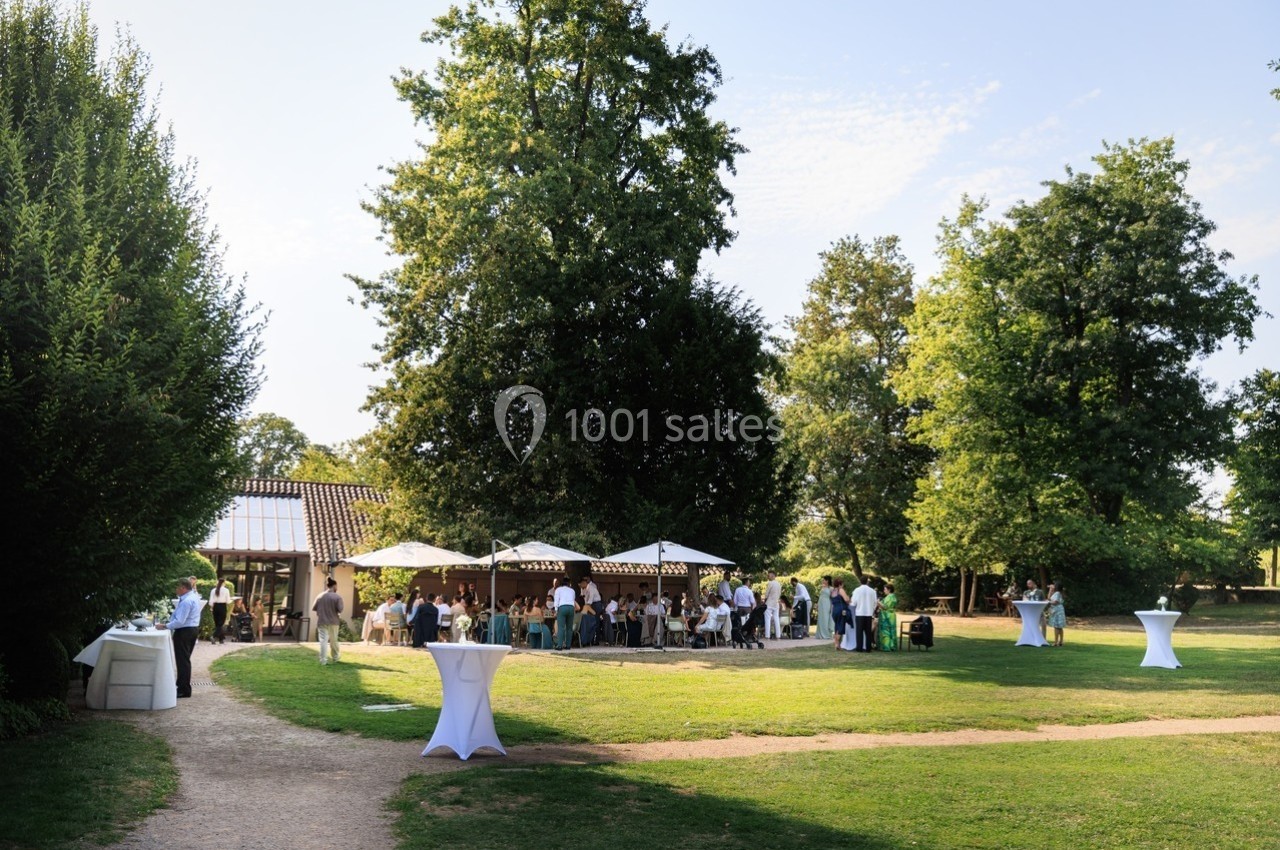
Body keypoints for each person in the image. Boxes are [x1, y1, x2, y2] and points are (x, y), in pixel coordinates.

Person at [156, 578, 201, 698]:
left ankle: (184, 689)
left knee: (182, 661)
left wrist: (165, 626)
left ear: (183, 588)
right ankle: (182, 687)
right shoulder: (193, 597)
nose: (175, 590)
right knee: (184, 660)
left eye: (177, 587)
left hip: (184, 631)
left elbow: (180, 621)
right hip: (192, 629)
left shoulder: (187, 601)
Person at [312, 578, 344, 665]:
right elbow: (340, 609)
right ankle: (335, 657)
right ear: (334, 586)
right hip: (334, 622)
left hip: (322, 621)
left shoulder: (320, 596)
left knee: (323, 641)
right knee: (334, 640)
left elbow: (314, 608)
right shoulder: (337, 597)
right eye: (336, 586)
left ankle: (323, 660)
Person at [850, 576, 878, 652]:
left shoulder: (857, 590)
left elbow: (853, 603)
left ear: (860, 581)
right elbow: (875, 602)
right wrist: (872, 609)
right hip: (869, 614)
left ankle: (859, 648)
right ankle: (868, 648)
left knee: (859, 631)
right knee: (868, 631)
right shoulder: (872, 591)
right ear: (867, 581)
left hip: (859, 613)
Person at [552, 577, 578, 651]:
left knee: (561, 627)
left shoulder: (558, 589)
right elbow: (573, 599)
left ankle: (560, 645)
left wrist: (556, 610)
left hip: (562, 607)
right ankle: (568, 645)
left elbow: (556, 600)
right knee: (569, 628)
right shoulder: (572, 590)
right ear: (569, 584)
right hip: (571, 607)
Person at [580, 575, 602, 646]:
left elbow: (590, 600)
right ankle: (590, 640)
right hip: (590, 605)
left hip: (596, 604)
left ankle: (596, 640)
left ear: (584, 583)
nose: (580, 586)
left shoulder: (591, 588)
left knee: (596, 621)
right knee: (589, 621)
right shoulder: (584, 589)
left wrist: (586, 608)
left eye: (580, 584)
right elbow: (584, 598)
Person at [209, 577, 231, 644]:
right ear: (224, 583)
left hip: (215, 606)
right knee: (220, 623)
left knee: (217, 623)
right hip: (222, 606)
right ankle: (213, 636)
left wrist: (211, 607)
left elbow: (211, 601)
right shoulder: (226, 590)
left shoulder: (213, 590)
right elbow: (228, 601)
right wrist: (231, 600)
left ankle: (221, 639)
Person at [830, 578, 850, 650]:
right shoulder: (840, 590)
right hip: (841, 610)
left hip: (834, 610)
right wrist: (848, 598)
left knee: (837, 627)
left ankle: (837, 644)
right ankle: (837, 644)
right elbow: (846, 599)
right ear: (840, 584)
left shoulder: (832, 591)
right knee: (841, 626)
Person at [877, 583, 899, 651]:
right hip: (890, 615)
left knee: (886, 631)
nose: (884, 591)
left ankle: (887, 646)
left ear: (889, 590)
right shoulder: (892, 596)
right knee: (891, 630)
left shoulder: (890, 597)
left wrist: (878, 602)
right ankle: (892, 646)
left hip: (887, 616)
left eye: (885, 589)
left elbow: (885, 607)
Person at [763, 571, 782, 640]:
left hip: (769, 603)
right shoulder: (779, 584)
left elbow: (766, 594)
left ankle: (767, 636)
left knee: (767, 619)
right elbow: (779, 594)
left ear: (773, 576)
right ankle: (778, 636)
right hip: (776, 603)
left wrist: (765, 601)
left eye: (769, 575)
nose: (768, 577)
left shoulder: (770, 583)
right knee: (776, 619)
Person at [816, 576, 834, 640]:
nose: (823, 581)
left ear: (827, 581)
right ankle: (820, 634)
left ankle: (826, 634)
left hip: (827, 603)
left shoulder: (831, 588)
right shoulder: (822, 587)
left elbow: (832, 597)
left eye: (824, 580)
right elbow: (820, 596)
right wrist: (817, 604)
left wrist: (832, 606)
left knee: (826, 618)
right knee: (820, 618)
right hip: (821, 603)